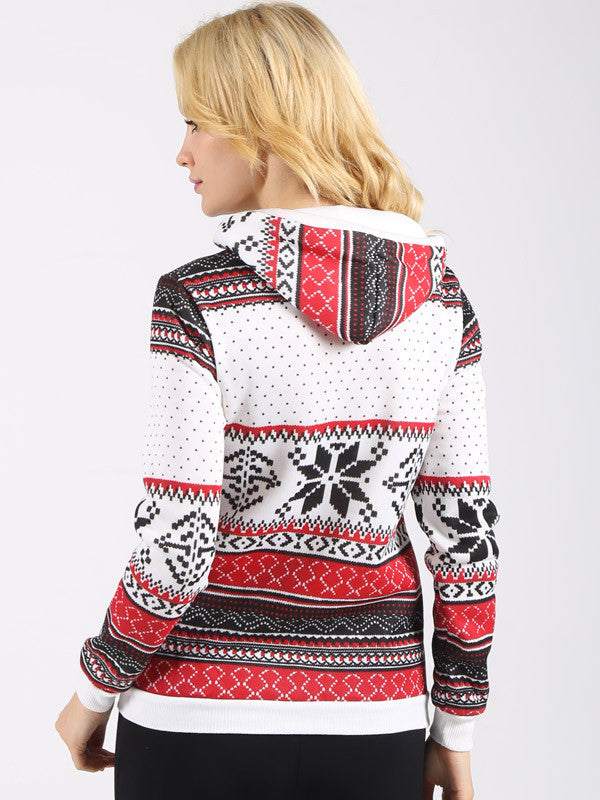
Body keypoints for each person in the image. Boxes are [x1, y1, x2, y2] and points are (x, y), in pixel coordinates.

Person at [54, 3, 501, 799]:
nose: (182, 152)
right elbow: (465, 539)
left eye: (196, 123)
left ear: (260, 130)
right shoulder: (442, 303)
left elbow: (178, 545)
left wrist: (93, 691)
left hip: (194, 718)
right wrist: (455, 729)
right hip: (374, 723)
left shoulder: (196, 299)